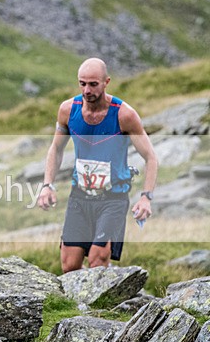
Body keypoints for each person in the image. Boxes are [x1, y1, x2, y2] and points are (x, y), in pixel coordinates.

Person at [37, 57, 158, 273]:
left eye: (93, 84)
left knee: (97, 261)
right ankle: (77, 306)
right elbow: (55, 149)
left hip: (113, 199)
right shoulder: (68, 110)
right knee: (69, 265)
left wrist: (146, 197)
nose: (87, 90)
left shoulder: (124, 115)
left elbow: (151, 157)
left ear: (106, 82)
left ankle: (101, 302)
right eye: (82, 83)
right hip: (80, 196)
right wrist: (47, 185)